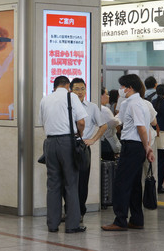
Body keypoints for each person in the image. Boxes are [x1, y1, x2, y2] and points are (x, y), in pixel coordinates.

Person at [102, 74, 155, 231]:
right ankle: (137, 220)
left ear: (130, 88)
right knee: (134, 185)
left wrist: (147, 147)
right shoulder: (139, 103)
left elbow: (141, 128)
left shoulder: (135, 104)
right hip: (136, 146)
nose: (121, 90)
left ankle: (120, 220)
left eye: (122, 87)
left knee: (121, 183)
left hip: (132, 146)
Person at [40, 75, 87, 234]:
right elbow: (81, 122)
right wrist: (78, 135)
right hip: (67, 142)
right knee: (71, 183)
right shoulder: (71, 96)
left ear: (54, 86)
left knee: (53, 185)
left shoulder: (45, 100)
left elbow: (43, 123)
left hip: (49, 143)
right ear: (67, 85)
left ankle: (52, 225)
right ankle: (72, 225)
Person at [69, 78, 107, 221]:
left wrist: (93, 140)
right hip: (67, 145)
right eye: (76, 89)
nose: (80, 92)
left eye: (82, 89)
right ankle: (69, 211)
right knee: (68, 180)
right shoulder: (67, 106)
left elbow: (103, 126)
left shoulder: (91, 107)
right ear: (70, 91)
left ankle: (80, 212)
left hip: (82, 147)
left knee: (82, 181)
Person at [100, 87, 121, 161]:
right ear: (101, 96)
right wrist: (119, 116)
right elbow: (113, 123)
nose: (108, 96)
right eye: (106, 94)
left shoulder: (97, 107)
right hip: (107, 142)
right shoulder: (104, 110)